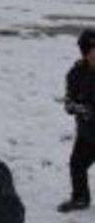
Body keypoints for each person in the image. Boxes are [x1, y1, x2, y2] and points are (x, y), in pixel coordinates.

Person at [58, 29, 95, 213]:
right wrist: (80, 109)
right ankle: (80, 198)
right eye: (93, 50)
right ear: (85, 52)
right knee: (77, 164)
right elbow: (69, 104)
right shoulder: (75, 74)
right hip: (87, 133)